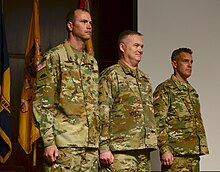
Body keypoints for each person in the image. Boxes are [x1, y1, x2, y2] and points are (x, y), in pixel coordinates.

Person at [33, 8, 99, 171]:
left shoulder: (91, 62)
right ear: (70, 26)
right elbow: (43, 103)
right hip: (64, 145)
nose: (89, 26)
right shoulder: (54, 57)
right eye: (84, 22)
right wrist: (49, 142)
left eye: (90, 22)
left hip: (90, 147)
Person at [99, 30, 157, 172]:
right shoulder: (111, 75)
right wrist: (103, 147)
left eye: (142, 47)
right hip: (120, 151)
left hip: (143, 150)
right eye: (136, 45)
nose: (140, 50)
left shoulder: (144, 79)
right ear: (122, 47)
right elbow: (102, 111)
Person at [153, 48, 209, 171]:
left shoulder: (192, 91)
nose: (189, 65)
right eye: (185, 61)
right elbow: (158, 121)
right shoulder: (165, 89)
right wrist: (165, 149)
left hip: (193, 154)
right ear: (174, 64)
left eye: (191, 62)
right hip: (175, 155)